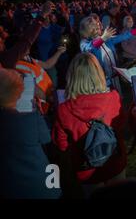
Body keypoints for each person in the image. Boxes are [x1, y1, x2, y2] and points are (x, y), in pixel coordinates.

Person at [52, 53, 127, 196]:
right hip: (114, 161)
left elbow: (61, 144)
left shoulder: (64, 109)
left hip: (86, 167)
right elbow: (120, 123)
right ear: (98, 74)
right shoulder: (113, 97)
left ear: (72, 76)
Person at [0, 68, 61, 199]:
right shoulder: (30, 117)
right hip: (43, 184)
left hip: (10, 188)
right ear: (19, 92)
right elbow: (47, 139)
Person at [79, 15, 136, 91]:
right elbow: (90, 48)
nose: (100, 25)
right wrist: (102, 39)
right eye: (96, 25)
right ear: (90, 29)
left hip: (114, 74)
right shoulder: (84, 43)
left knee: (117, 93)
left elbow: (123, 36)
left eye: (98, 23)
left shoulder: (106, 39)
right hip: (101, 78)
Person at [0, 1, 53, 69]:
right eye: (1, 38)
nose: (2, 40)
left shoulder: (26, 58)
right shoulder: (6, 60)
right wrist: (42, 14)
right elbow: (26, 41)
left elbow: (46, 65)